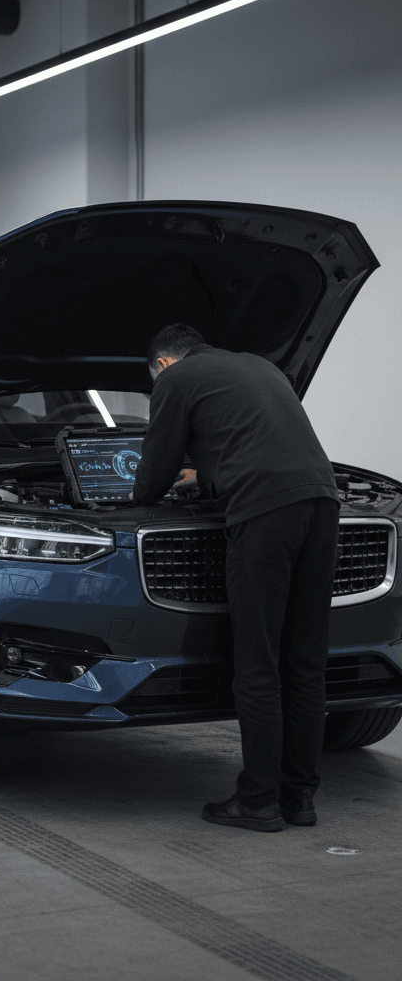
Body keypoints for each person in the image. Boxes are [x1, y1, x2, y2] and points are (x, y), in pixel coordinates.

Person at [132, 324, 340, 832]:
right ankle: (299, 799)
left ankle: (258, 801)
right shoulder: (259, 365)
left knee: (257, 663)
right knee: (305, 662)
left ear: (162, 363)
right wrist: (202, 477)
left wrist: (141, 491)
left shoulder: (175, 381)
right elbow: (254, 442)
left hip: (266, 515)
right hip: (322, 502)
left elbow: (150, 478)